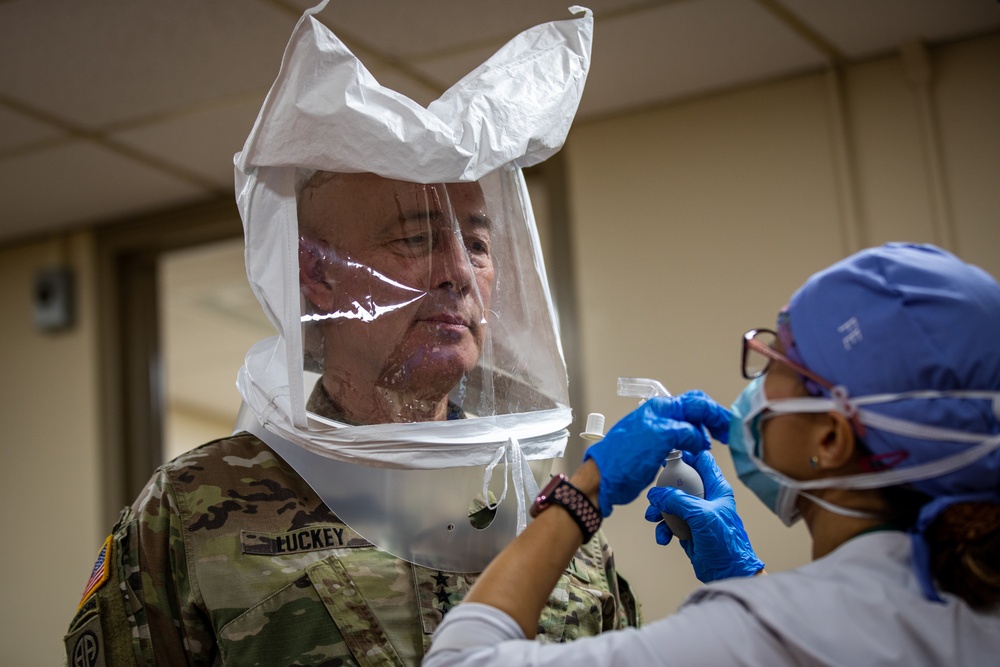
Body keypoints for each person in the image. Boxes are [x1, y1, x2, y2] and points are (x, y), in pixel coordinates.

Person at [64, 5, 637, 666]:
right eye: (415, 238)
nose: (458, 273)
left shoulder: (545, 505)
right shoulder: (194, 512)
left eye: (477, 243)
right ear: (317, 273)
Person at [425, 242, 1000, 667]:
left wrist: (584, 492)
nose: (756, 377)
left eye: (780, 362)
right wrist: (747, 579)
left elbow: (459, 659)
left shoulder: (761, 637)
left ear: (830, 438)